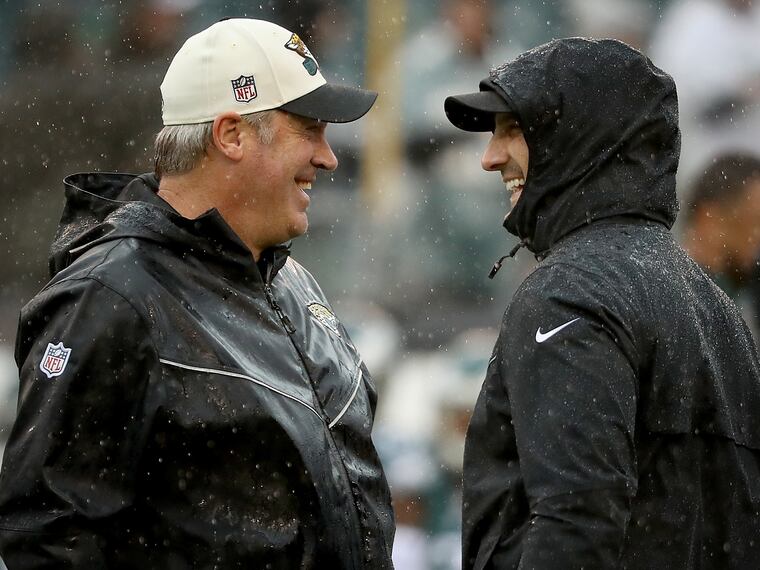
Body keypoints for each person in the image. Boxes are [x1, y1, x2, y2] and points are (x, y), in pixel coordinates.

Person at [0, 18, 394, 569]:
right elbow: (47, 538)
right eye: (308, 128)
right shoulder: (109, 296)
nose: (328, 157)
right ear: (230, 134)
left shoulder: (292, 280)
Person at [444, 37, 760, 569]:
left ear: (582, 140)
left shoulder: (569, 291)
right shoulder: (713, 304)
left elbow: (576, 522)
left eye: (514, 129)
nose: (490, 157)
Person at [682, 152, 760, 339]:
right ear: (709, 219)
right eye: (756, 221)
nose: (757, 237)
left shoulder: (747, 292)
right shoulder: (672, 305)